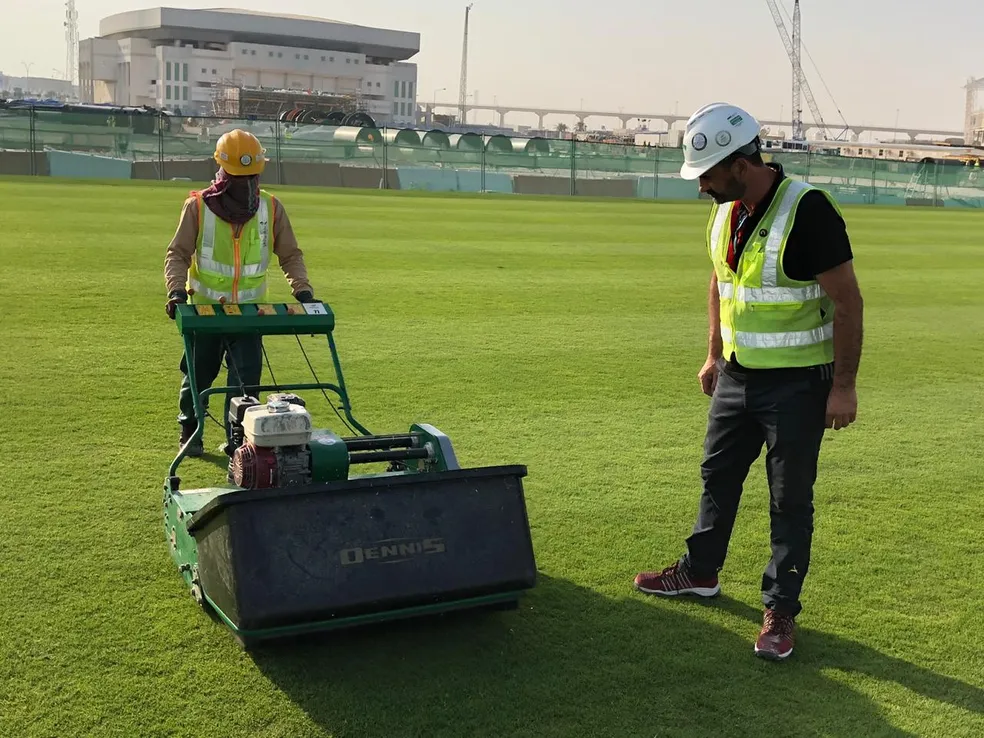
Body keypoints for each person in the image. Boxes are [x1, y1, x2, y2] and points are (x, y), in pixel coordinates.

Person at [633, 103, 864, 661]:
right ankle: (700, 572)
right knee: (717, 475)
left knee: (788, 500)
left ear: (740, 163)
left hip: (798, 385)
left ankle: (780, 610)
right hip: (736, 375)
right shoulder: (724, 209)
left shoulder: (808, 210)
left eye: (708, 174)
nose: (702, 187)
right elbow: (722, 282)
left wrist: (844, 387)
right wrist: (714, 354)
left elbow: (848, 302)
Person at [163, 128, 316, 456]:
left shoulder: (271, 208)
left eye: (250, 178)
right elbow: (178, 253)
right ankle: (190, 431)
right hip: (204, 313)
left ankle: (238, 440)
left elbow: (290, 254)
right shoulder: (198, 207)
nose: (244, 186)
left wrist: (303, 292)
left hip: (249, 314)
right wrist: (176, 292)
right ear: (222, 172)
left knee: (246, 382)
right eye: (237, 177)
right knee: (197, 375)